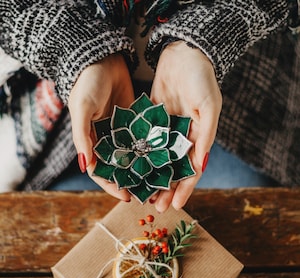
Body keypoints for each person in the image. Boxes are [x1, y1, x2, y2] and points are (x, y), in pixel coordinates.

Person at [0, 1, 299, 213]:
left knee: (242, 213)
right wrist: (76, 49)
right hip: (63, 108)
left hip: (233, 90)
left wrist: (210, 36)